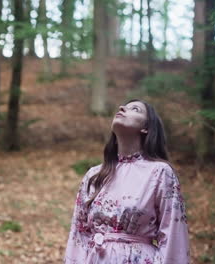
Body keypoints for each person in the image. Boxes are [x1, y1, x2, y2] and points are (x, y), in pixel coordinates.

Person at [64, 99, 189, 264]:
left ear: (146, 128)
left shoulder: (160, 173)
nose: (122, 108)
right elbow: (79, 234)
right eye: (123, 106)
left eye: (135, 109)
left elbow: (173, 236)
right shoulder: (94, 176)